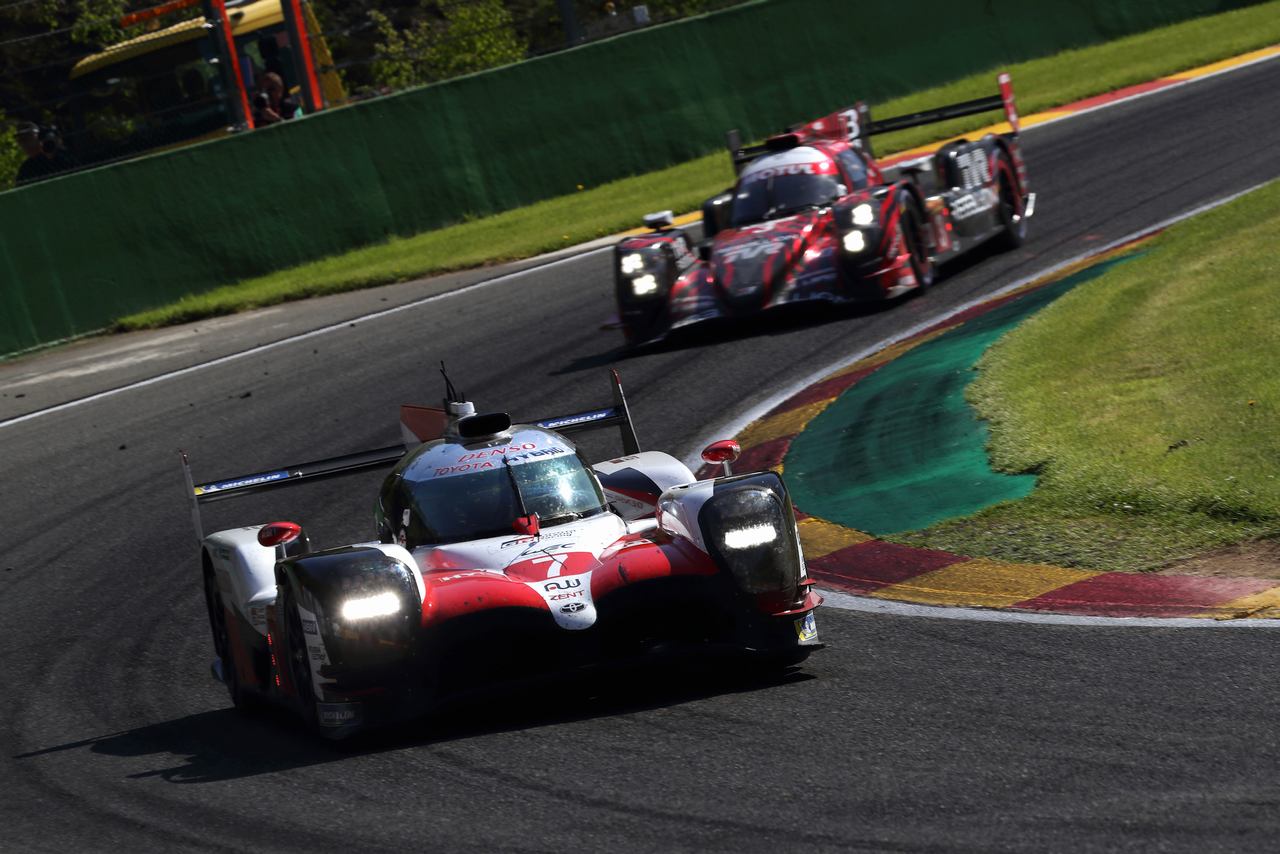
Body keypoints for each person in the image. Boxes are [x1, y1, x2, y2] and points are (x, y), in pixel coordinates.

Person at [14, 122, 77, 187]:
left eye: (27, 138)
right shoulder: (26, 168)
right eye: (20, 140)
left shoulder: (61, 156)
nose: (24, 144)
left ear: (39, 138)